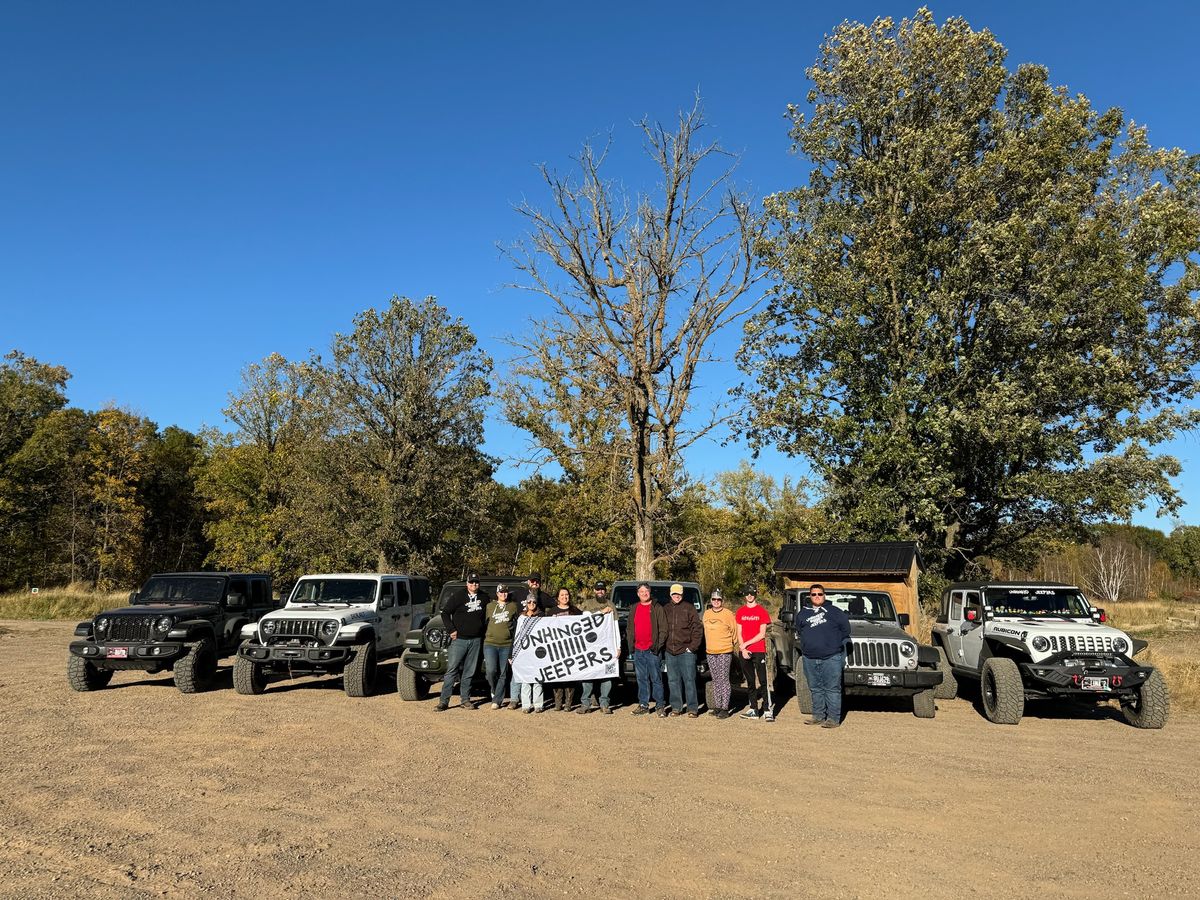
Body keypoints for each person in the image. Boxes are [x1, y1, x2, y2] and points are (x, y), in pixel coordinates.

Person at [796, 583, 851, 727]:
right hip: (809, 657)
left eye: (820, 594)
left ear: (824, 595)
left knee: (832, 688)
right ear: (810, 596)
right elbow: (800, 630)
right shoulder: (803, 613)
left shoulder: (835, 611)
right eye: (814, 594)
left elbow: (846, 629)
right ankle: (818, 716)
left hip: (831, 657)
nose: (817, 597)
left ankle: (833, 719)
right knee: (815, 688)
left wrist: (833, 644)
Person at [435, 573, 488, 711]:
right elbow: (445, 613)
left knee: (469, 672)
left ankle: (465, 700)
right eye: (471, 582)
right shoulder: (458, 596)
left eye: (476, 582)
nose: (474, 585)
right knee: (452, 670)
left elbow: (489, 616)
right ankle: (443, 701)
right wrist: (451, 630)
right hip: (459, 640)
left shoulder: (484, 597)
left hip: (476, 640)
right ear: (467, 583)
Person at [626, 582, 667, 716]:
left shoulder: (657, 607)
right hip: (638, 650)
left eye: (646, 591)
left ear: (650, 592)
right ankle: (643, 704)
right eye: (641, 592)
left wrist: (657, 646)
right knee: (641, 679)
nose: (644, 594)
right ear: (638, 594)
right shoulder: (634, 608)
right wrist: (631, 645)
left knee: (656, 678)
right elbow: (630, 628)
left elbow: (663, 629)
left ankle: (660, 705)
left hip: (652, 650)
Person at [663, 582, 703, 718]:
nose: (677, 596)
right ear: (670, 594)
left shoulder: (689, 608)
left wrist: (692, 648)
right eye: (674, 594)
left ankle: (692, 708)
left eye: (679, 594)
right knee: (673, 680)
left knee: (689, 680)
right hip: (670, 651)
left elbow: (697, 629)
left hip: (686, 651)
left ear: (682, 594)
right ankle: (676, 707)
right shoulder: (666, 608)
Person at [578, 580, 618, 714]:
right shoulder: (588, 604)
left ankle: (604, 704)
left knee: (607, 675)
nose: (600, 591)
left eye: (602, 589)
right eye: (597, 589)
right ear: (594, 591)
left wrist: (617, 646)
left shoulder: (611, 604)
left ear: (605, 591)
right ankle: (585, 704)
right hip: (589, 647)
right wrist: (602, 612)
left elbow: (615, 626)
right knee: (587, 675)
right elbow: (585, 619)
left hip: (606, 646)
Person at [735, 586, 773, 721]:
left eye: (752, 593)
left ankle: (768, 709)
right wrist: (743, 648)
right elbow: (739, 632)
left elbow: (762, 634)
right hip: (744, 652)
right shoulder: (740, 612)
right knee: (750, 682)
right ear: (744, 595)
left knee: (763, 680)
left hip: (758, 650)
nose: (749, 595)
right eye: (747, 593)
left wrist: (746, 644)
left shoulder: (762, 612)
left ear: (755, 594)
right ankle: (754, 709)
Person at [702, 589, 739, 719]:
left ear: (722, 601)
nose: (716, 602)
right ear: (711, 601)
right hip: (710, 651)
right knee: (715, 679)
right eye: (714, 599)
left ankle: (725, 707)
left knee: (724, 680)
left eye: (718, 600)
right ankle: (717, 706)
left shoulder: (728, 614)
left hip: (724, 650)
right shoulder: (706, 614)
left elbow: (735, 632)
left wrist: (732, 646)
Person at [482, 584, 520, 709]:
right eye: (501, 592)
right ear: (497, 594)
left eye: (505, 592)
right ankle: (494, 689)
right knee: (491, 671)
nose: (503, 594)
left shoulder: (513, 606)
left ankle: (497, 700)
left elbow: (519, 622)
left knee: (503, 673)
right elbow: (484, 622)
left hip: (506, 644)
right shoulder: (489, 606)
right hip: (490, 643)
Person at [547, 587, 581, 711]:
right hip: (556, 649)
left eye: (566, 595)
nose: (564, 597)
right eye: (562, 595)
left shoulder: (576, 611)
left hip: (571, 649)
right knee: (557, 674)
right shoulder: (551, 612)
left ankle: (568, 703)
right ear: (557, 598)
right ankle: (557, 702)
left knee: (570, 676)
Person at [511, 595, 544, 713]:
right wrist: (512, 654)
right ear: (526, 603)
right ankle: (526, 705)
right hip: (523, 652)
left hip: (538, 651)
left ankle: (538, 704)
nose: (532, 603)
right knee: (525, 679)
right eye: (529, 601)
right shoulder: (520, 618)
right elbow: (515, 636)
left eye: (534, 601)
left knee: (537, 679)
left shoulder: (542, 616)